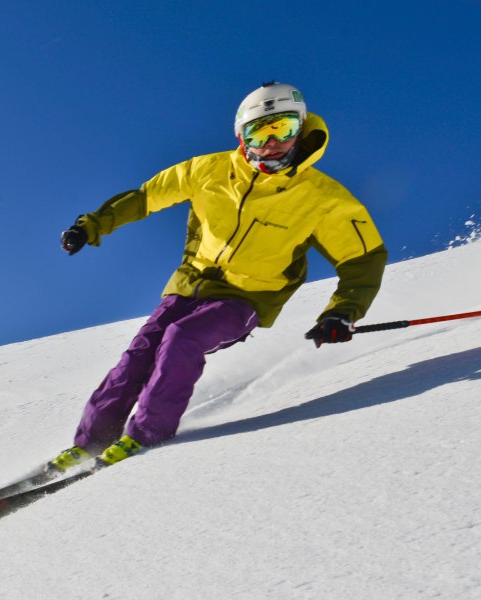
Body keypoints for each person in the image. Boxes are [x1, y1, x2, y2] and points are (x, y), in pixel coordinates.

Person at [51, 82, 387, 470]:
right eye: (260, 132)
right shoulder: (208, 170)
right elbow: (146, 197)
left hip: (246, 298)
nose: (273, 143)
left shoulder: (324, 198)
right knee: (138, 356)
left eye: (285, 129)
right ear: (242, 137)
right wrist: (90, 226)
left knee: (182, 339)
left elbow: (363, 259)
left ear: (302, 128)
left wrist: (342, 311)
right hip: (189, 284)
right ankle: (91, 443)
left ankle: (147, 434)